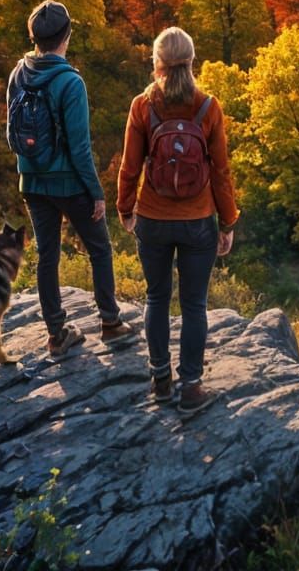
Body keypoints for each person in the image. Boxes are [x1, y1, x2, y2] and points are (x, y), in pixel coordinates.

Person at [116, 26, 239, 416]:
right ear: (192, 60)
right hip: (198, 220)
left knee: (156, 298)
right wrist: (228, 222)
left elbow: (130, 167)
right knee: (194, 305)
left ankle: (160, 380)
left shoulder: (142, 105)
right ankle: (191, 388)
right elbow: (221, 171)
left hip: (152, 217)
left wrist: (125, 208)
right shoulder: (208, 106)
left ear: (157, 63)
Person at [6, 0, 137, 356]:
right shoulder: (70, 82)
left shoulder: (18, 74)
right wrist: (96, 192)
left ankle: (56, 334)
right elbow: (80, 148)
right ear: (67, 35)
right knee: (100, 249)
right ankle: (110, 323)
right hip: (70, 183)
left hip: (31, 181)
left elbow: (12, 133)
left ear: (34, 37)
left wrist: (29, 171)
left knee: (48, 255)